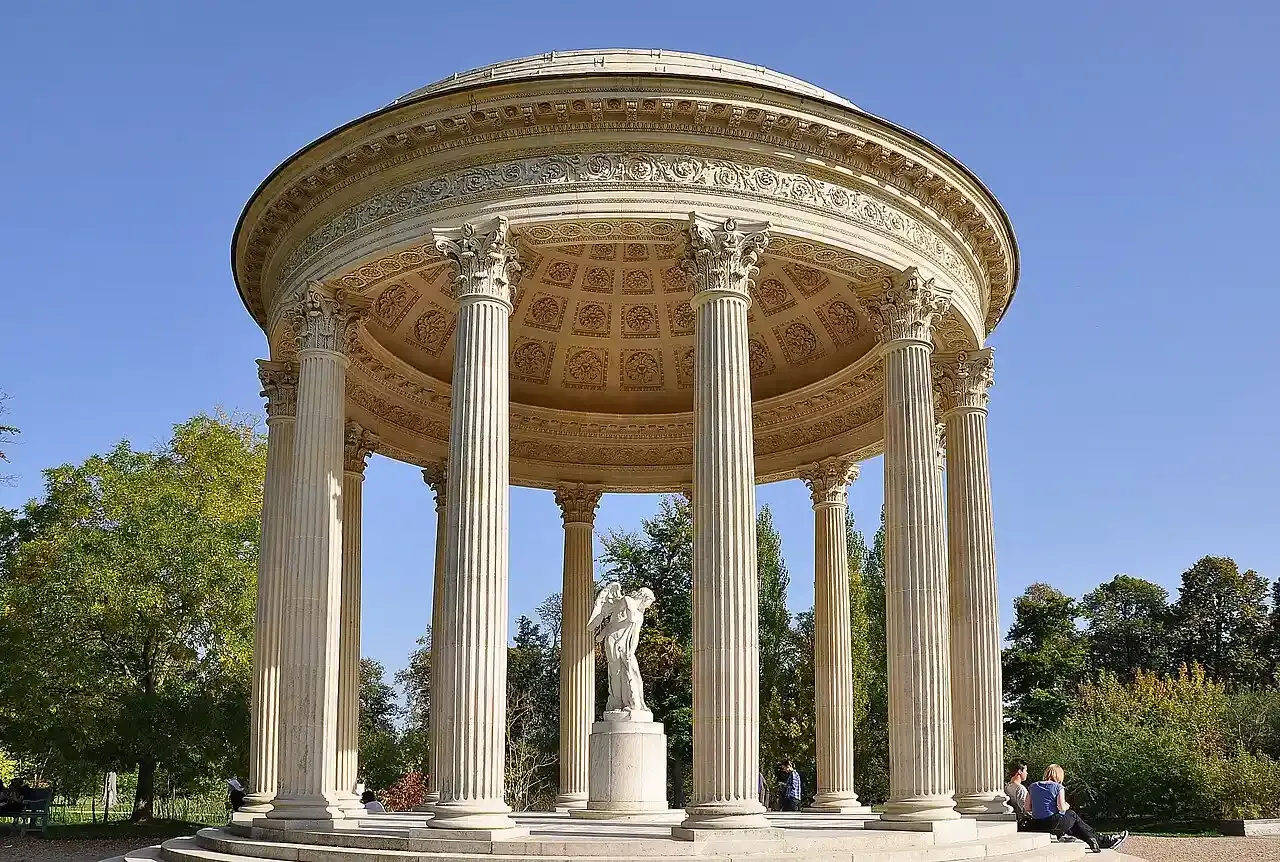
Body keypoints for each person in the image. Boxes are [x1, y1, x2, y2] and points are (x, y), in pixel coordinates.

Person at [1025, 765, 1127, 854]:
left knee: (1074, 824)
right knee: (1072, 814)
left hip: (1037, 825)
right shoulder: (1058, 787)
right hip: (1053, 823)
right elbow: (1061, 807)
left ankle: (1094, 840)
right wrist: (1067, 805)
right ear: (1059, 775)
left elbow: (1027, 808)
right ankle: (1102, 840)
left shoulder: (1033, 786)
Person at [1005, 761, 1030, 827]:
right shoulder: (1020, 789)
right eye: (1025, 770)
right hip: (1021, 823)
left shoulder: (1006, 787)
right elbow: (1024, 809)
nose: (1027, 773)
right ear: (1019, 771)